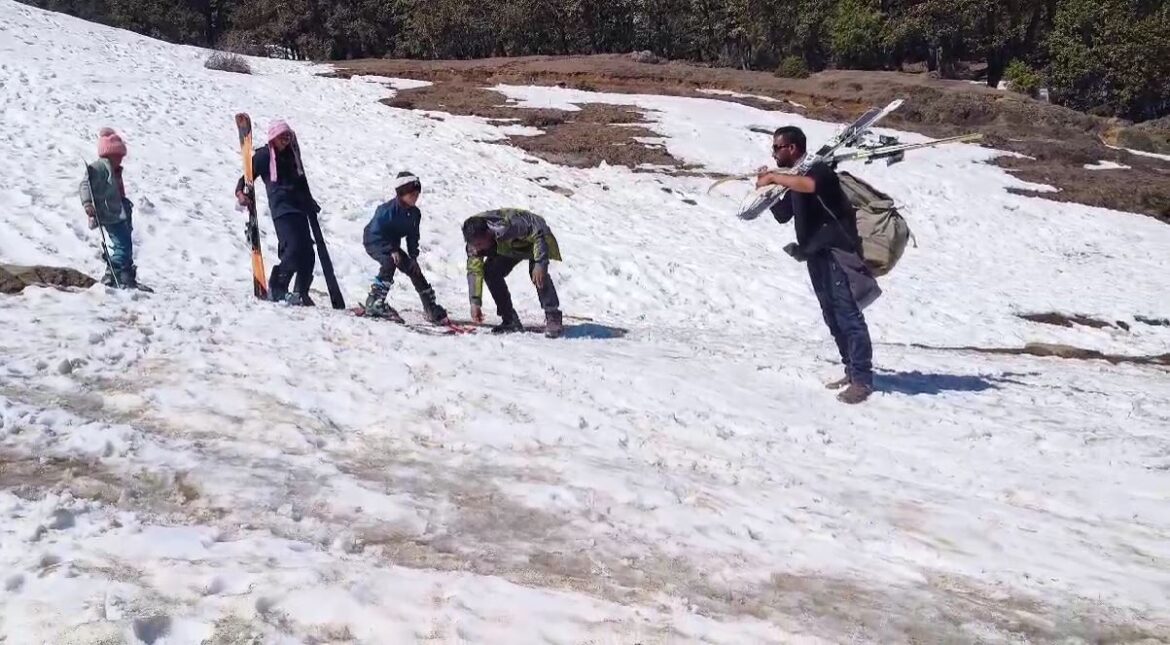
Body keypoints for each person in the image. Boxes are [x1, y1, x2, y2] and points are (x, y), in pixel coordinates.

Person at [757, 125, 876, 404]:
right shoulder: (794, 178)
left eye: (777, 148)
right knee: (831, 315)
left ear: (792, 148)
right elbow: (783, 215)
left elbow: (809, 186)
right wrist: (767, 188)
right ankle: (850, 369)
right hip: (815, 254)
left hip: (836, 252)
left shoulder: (817, 169)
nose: (773, 153)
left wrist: (775, 177)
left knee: (848, 316)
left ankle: (862, 380)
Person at [235, 120, 318, 306]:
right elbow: (246, 177)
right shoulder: (264, 156)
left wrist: (309, 202)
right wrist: (241, 194)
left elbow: (300, 182)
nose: (285, 140)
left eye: (288, 136)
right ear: (273, 136)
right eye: (282, 136)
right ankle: (277, 286)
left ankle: (301, 292)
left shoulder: (291, 155)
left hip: (299, 208)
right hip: (281, 209)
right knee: (293, 247)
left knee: (308, 252)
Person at [462, 208, 564, 338]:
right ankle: (510, 319)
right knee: (490, 272)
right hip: (508, 247)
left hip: (536, 240)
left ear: (488, 234)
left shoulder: (510, 225)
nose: (476, 248)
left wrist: (540, 263)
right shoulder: (474, 243)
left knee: (537, 274)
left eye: (479, 244)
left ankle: (553, 316)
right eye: (473, 245)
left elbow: (539, 233)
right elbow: (474, 271)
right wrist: (475, 302)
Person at [362, 172, 449, 323]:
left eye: (417, 194)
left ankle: (430, 306)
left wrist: (414, 257)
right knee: (389, 262)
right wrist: (391, 249)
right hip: (375, 241)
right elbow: (376, 231)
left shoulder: (414, 213)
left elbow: (413, 236)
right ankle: (375, 302)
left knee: (413, 268)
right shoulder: (386, 210)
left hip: (392, 245)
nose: (415, 197)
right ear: (401, 193)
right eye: (412, 194)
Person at [80, 128, 138, 289]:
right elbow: (85, 185)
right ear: (109, 154)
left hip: (120, 211)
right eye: (118, 156)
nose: (120, 159)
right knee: (123, 245)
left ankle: (124, 275)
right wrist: (88, 204)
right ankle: (112, 274)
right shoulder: (99, 168)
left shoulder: (114, 169)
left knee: (125, 243)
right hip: (109, 213)